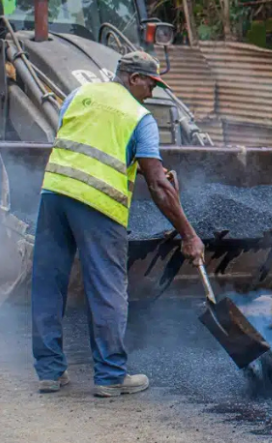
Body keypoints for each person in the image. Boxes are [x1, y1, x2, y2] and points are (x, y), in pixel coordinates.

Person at [31, 51, 205, 396]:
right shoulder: (140, 118)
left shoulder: (76, 96)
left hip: (54, 195)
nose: (153, 92)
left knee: (47, 282)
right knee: (107, 288)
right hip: (98, 204)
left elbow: (78, 141)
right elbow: (157, 184)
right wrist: (189, 234)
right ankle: (110, 376)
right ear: (133, 78)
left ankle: (49, 372)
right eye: (151, 83)